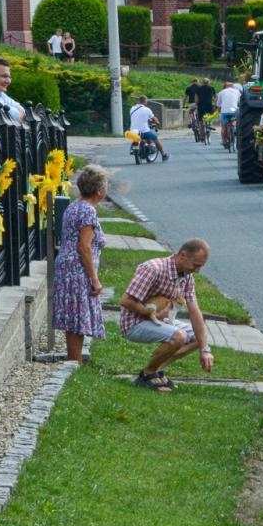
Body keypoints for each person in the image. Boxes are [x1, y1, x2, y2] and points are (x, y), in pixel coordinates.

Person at [118, 240, 214, 391]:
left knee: (200, 337)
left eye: (200, 266)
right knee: (179, 336)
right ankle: (148, 374)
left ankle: (156, 371)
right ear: (183, 255)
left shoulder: (187, 277)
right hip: (134, 323)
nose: (197, 270)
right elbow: (125, 301)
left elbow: (195, 311)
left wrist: (205, 350)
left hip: (160, 321)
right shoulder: (153, 268)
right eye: (195, 265)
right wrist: (150, 312)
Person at [51, 165, 110, 363]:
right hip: (77, 269)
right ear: (99, 190)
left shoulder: (74, 206)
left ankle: (72, 360)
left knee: (73, 317)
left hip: (66, 266)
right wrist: (94, 279)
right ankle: (74, 362)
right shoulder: (88, 211)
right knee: (77, 317)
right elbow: (84, 247)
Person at [128, 94, 169, 160]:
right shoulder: (147, 110)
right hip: (144, 131)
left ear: (138, 101)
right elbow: (154, 119)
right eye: (146, 101)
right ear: (145, 101)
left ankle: (133, 149)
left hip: (133, 131)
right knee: (155, 138)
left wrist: (147, 119)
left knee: (135, 138)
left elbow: (138, 117)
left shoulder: (132, 109)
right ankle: (163, 155)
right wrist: (158, 123)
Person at [216, 79, 242, 147]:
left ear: (225, 86)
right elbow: (240, 102)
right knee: (234, 120)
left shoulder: (221, 92)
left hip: (224, 112)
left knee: (223, 127)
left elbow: (218, 104)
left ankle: (224, 141)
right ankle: (234, 128)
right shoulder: (237, 92)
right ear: (233, 86)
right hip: (234, 111)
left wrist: (218, 110)